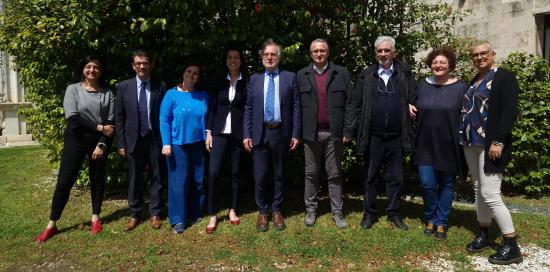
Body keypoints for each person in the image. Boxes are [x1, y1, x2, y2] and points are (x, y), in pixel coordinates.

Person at [35, 55, 115, 243]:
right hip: (75, 140)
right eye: (88, 66)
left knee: (97, 179)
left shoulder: (108, 94)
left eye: (96, 67)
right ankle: (52, 224)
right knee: (65, 181)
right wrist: (99, 127)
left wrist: (102, 144)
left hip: (98, 142)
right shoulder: (73, 90)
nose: (91, 70)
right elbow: (73, 119)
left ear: (101, 71)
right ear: (83, 69)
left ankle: (95, 217)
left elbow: (110, 123)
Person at [459, 41, 522, 265]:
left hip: (490, 144)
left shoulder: (504, 77)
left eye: (483, 53)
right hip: (471, 143)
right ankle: (484, 233)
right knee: (478, 190)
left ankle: (511, 244)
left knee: (490, 193)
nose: (479, 57)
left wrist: (498, 140)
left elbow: (508, 111)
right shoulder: (475, 80)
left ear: (493, 54)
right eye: (475, 55)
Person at [348, 36, 415, 231]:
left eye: (387, 50)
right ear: (375, 53)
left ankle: (394, 213)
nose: (383, 54)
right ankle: (369, 214)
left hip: (396, 136)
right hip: (373, 136)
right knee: (370, 177)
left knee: (396, 178)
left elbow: (414, 95)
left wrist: (412, 103)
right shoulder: (367, 75)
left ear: (394, 53)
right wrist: (357, 126)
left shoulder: (404, 73)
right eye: (380, 51)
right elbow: (356, 103)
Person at [409, 47, 468, 239]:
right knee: (427, 184)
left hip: (449, 144)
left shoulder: (461, 88)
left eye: (442, 62)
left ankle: (441, 221)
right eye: (434, 62)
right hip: (424, 143)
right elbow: (411, 101)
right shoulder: (422, 85)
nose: (438, 65)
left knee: (447, 184)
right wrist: (409, 104)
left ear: (450, 65)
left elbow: (467, 115)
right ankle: (430, 217)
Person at [243, 39, 301, 232]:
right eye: (266, 54)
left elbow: (296, 107)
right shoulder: (254, 79)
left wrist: (295, 133)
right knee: (260, 175)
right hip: (259, 133)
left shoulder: (290, 77)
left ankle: (276, 209)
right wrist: (246, 134)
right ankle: (262, 210)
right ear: (261, 57)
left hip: (281, 133)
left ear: (279, 57)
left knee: (279, 173)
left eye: (273, 54)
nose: (269, 57)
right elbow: (249, 108)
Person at [296, 38, 353, 229]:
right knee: (311, 174)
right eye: (315, 51)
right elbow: (296, 108)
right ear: (310, 54)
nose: (318, 54)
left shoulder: (341, 73)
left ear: (328, 53)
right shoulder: (302, 75)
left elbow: (350, 104)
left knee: (335, 174)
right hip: (310, 134)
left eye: (322, 51)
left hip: (334, 134)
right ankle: (310, 210)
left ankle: (337, 212)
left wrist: (347, 129)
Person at [115, 50, 167, 232]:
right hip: (133, 140)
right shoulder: (123, 87)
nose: (142, 66)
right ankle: (135, 214)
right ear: (133, 66)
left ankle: (155, 213)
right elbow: (119, 117)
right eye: (138, 63)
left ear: (150, 65)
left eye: (145, 63)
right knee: (135, 179)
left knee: (157, 177)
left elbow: (164, 115)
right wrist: (121, 143)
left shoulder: (160, 86)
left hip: (154, 140)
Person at [159, 63, 208, 234]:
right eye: (189, 71)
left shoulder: (203, 96)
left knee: (198, 179)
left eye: (196, 73)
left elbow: (208, 119)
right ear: (183, 74)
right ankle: (178, 219)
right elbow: (164, 119)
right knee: (178, 182)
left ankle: (195, 212)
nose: (192, 75)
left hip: (198, 143)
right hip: (177, 144)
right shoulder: (171, 94)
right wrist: (166, 143)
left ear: (198, 78)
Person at [204, 47, 248, 234]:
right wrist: (208, 132)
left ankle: (232, 209)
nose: (233, 60)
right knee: (214, 172)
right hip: (219, 133)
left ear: (241, 60)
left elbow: (249, 110)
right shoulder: (218, 82)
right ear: (225, 60)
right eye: (229, 57)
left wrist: (248, 133)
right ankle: (213, 213)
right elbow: (212, 108)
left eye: (236, 57)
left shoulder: (248, 82)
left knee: (234, 173)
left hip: (238, 135)